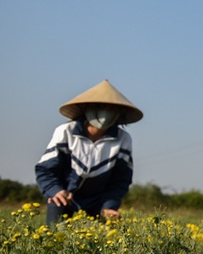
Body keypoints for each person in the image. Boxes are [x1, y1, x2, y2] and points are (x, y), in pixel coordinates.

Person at [35, 79, 143, 225]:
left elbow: (120, 179)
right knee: (54, 239)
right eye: (99, 106)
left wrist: (109, 205)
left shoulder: (123, 139)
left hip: (99, 202)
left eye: (111, 108)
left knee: (104, 243)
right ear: (87, 108)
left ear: (119, 113)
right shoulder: (66, 132)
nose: (105, 112)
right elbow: (46, 169)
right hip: (65, 197)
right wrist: (55, 190)